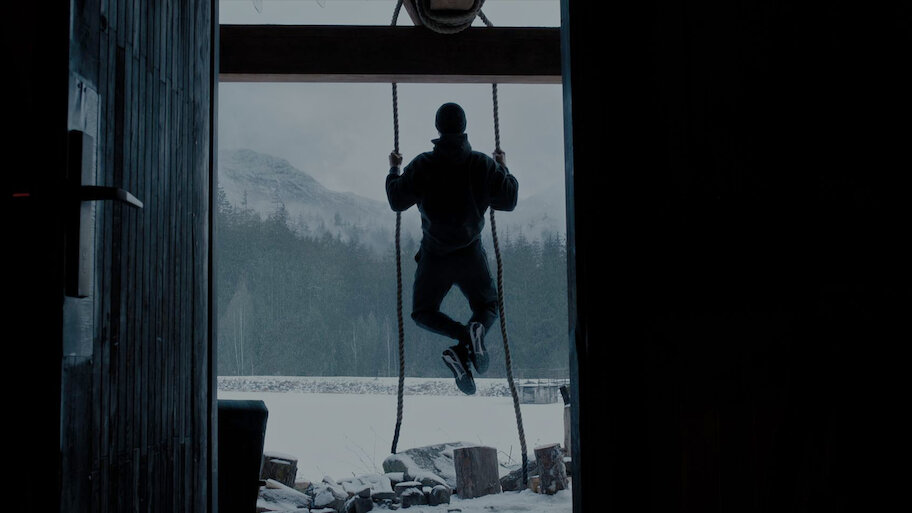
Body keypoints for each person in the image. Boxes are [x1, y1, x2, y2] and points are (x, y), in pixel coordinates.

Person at [386, 102, 518, 395]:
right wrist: (502, 166)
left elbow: (397, 201)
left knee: (423, 312)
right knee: (487, 307)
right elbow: (508, 200)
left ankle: (463, 340)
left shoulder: (423, 165)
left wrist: (394, 169)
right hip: (470, 255)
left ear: (438, 129)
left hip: (435, 257)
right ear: (464, 127)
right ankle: (470, 338)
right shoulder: (482, 164)